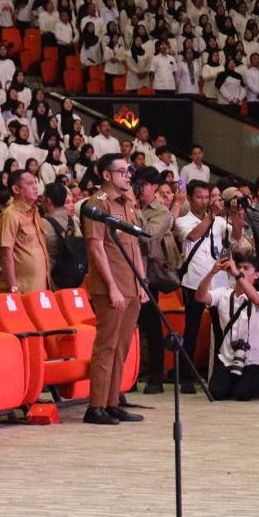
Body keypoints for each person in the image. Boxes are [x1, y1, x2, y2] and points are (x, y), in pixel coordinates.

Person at [81, 153, 145, 425]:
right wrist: (112, 287)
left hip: (131, 285)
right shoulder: (98, 204)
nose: (128, 175)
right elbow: (96, 247)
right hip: (112, 287)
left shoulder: (128, 204)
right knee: (106, 347)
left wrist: (142, 281)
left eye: (129, 171)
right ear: (106, 175)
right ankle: (95, 406)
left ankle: (112, 401)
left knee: (122, 346)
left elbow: (135, 247)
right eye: (122, 171)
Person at [174, 180, 230, 394]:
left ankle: (219, 375)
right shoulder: (183, 220)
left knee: (221, 328)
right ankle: (187, 378)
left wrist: (235, 213)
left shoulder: (219, 221)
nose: (205, 201)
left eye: (208, 197)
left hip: (219, 283)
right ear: (189, 198)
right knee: (192, 330)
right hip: (194, 281)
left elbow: (234, 237)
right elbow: (193, 235)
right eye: (200, 197)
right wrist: (211, 216)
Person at [197, 255, 259, 401]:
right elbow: (200, 297)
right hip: (228, 357)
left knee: (243, 394)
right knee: (216, 392)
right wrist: (212, 272)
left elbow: (257, 301)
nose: (241, 270)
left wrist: (237, 273)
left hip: (252, 358)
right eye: (239, 267)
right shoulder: (223, 293)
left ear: (256, 275)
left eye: (246, 268)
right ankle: (236, 383)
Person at [136, 169, 178, 393]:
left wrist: (132, 212)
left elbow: (147, 234)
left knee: (151, 326)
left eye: (143, 185)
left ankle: (155, 377)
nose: (139, 189)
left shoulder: (161, 212)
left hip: (147, 274)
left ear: (153, 187)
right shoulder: (128, 205)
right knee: (130, 329)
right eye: (137, 184)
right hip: (126, 272)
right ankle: (130, 376)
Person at [0, 169, 52, 294]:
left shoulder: (35, 212)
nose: (35, 188)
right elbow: (5, 254)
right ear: (16, 189)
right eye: (30, 184)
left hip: (40, 287)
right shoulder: (10, 215)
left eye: (35, 183)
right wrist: (13, 288)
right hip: (21, 291)